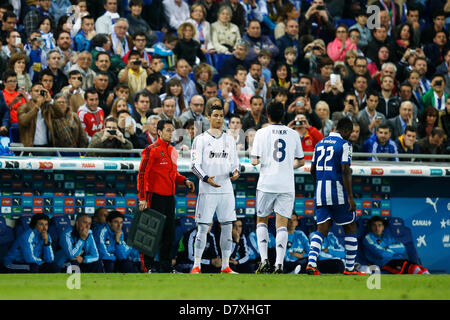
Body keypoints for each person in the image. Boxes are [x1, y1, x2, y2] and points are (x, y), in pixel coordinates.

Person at [251, 101, 304, 274]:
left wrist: (261, 162)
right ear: (283, 115)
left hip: (267, 183)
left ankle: (265, 260)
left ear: (267, 115)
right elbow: (301, 161)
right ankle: (279, 264)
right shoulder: (293, 134)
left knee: (262, 220)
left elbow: (254, 160)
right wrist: (288, 166)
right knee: (282, 224)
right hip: (286, 184)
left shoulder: (261, 133)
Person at [306, 117, 364, 276]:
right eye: (350, 133)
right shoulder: (345, 145)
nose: (350, 136)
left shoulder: (319, 144)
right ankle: (350, 268)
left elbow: (312, 170)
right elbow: (345, 170)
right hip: (338, 192)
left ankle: (311, 263)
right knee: (350, 226)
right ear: (345, 130)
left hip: (321, 192)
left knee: (322, 228)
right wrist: (351, 197)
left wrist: (319, 184)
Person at [137, 119, 195, 273]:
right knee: (150, 233)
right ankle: (147, 267)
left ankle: (166, 268)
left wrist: (184, 180)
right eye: (168, 130)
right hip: (153, 196)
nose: (171, 133)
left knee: (168, 235)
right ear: (159, 132)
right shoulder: (151, 150)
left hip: (169, 198)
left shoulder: (172, 151)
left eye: (172, 130)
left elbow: (172, 174)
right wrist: (142, 198)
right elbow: (142, 174)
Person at [189, 104, 240, 274]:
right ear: (208, 117)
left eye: (221, 115)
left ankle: (225, 266)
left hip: (226, 190)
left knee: (227, 227)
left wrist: (235, 173)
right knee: (203, 227)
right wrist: (206, 179)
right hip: (207, 189)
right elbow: (194, 166)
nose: (218, 119)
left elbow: (235, 164)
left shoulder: (230, 139)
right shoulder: (200, 139)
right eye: (215, 115)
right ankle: (197, 265)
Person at [363, 216, 429, 274]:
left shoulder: (388, 237)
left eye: (379, 225)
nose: (377, 228)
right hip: (383, 263)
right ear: (371, 227)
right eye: (374, 225)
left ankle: (425, 274)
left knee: (412, 264)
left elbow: (402, 248)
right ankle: (423, 275)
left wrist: (386, 248)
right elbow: (381, 254)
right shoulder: (368, 237)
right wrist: (393, 250)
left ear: (383, 227)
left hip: (398, 260)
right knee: (407, 267)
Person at [17, 83, 63, 148]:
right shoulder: (23, 107)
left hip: (48, 147)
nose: (39, 93)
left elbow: (60, 114)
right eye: (36, 91)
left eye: (41, 91)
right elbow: (23, 122)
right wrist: (37, 106)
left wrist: (51, 101)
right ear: (30, 94)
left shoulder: (47, 107)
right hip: (31, 147)